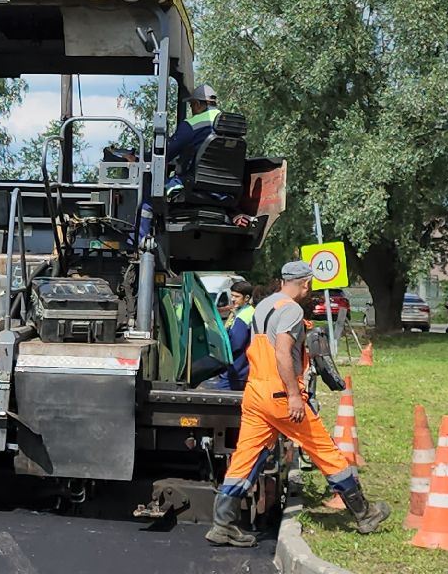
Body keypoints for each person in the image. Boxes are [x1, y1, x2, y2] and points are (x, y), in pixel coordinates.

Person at [206, 260, 390, 547]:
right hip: (280, 394)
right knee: (324, 449)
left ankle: (222, 524)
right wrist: (293, 395)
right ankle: (364, 514)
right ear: (305, 284)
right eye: (310, 285)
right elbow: (282, 352)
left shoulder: (265, 305)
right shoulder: (291, 309)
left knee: (246, 456)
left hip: (256, 392)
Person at [164, 83, 220, 195]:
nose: (192, 110)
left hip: (194, 184)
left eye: (192, 105)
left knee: (152, 190)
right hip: (224, 190)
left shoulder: (192, 124)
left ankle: (146, 212)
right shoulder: (228, 122)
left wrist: (144, 158)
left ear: (198, 104)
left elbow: (167, 152)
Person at [211, 280, 259, 391]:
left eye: (236, 296)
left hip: (236, 371)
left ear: (247, 298)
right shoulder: (245, 311)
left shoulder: (244, 316)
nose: (232, 299)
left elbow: (236, 344)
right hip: (241, 370)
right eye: (232, 295)